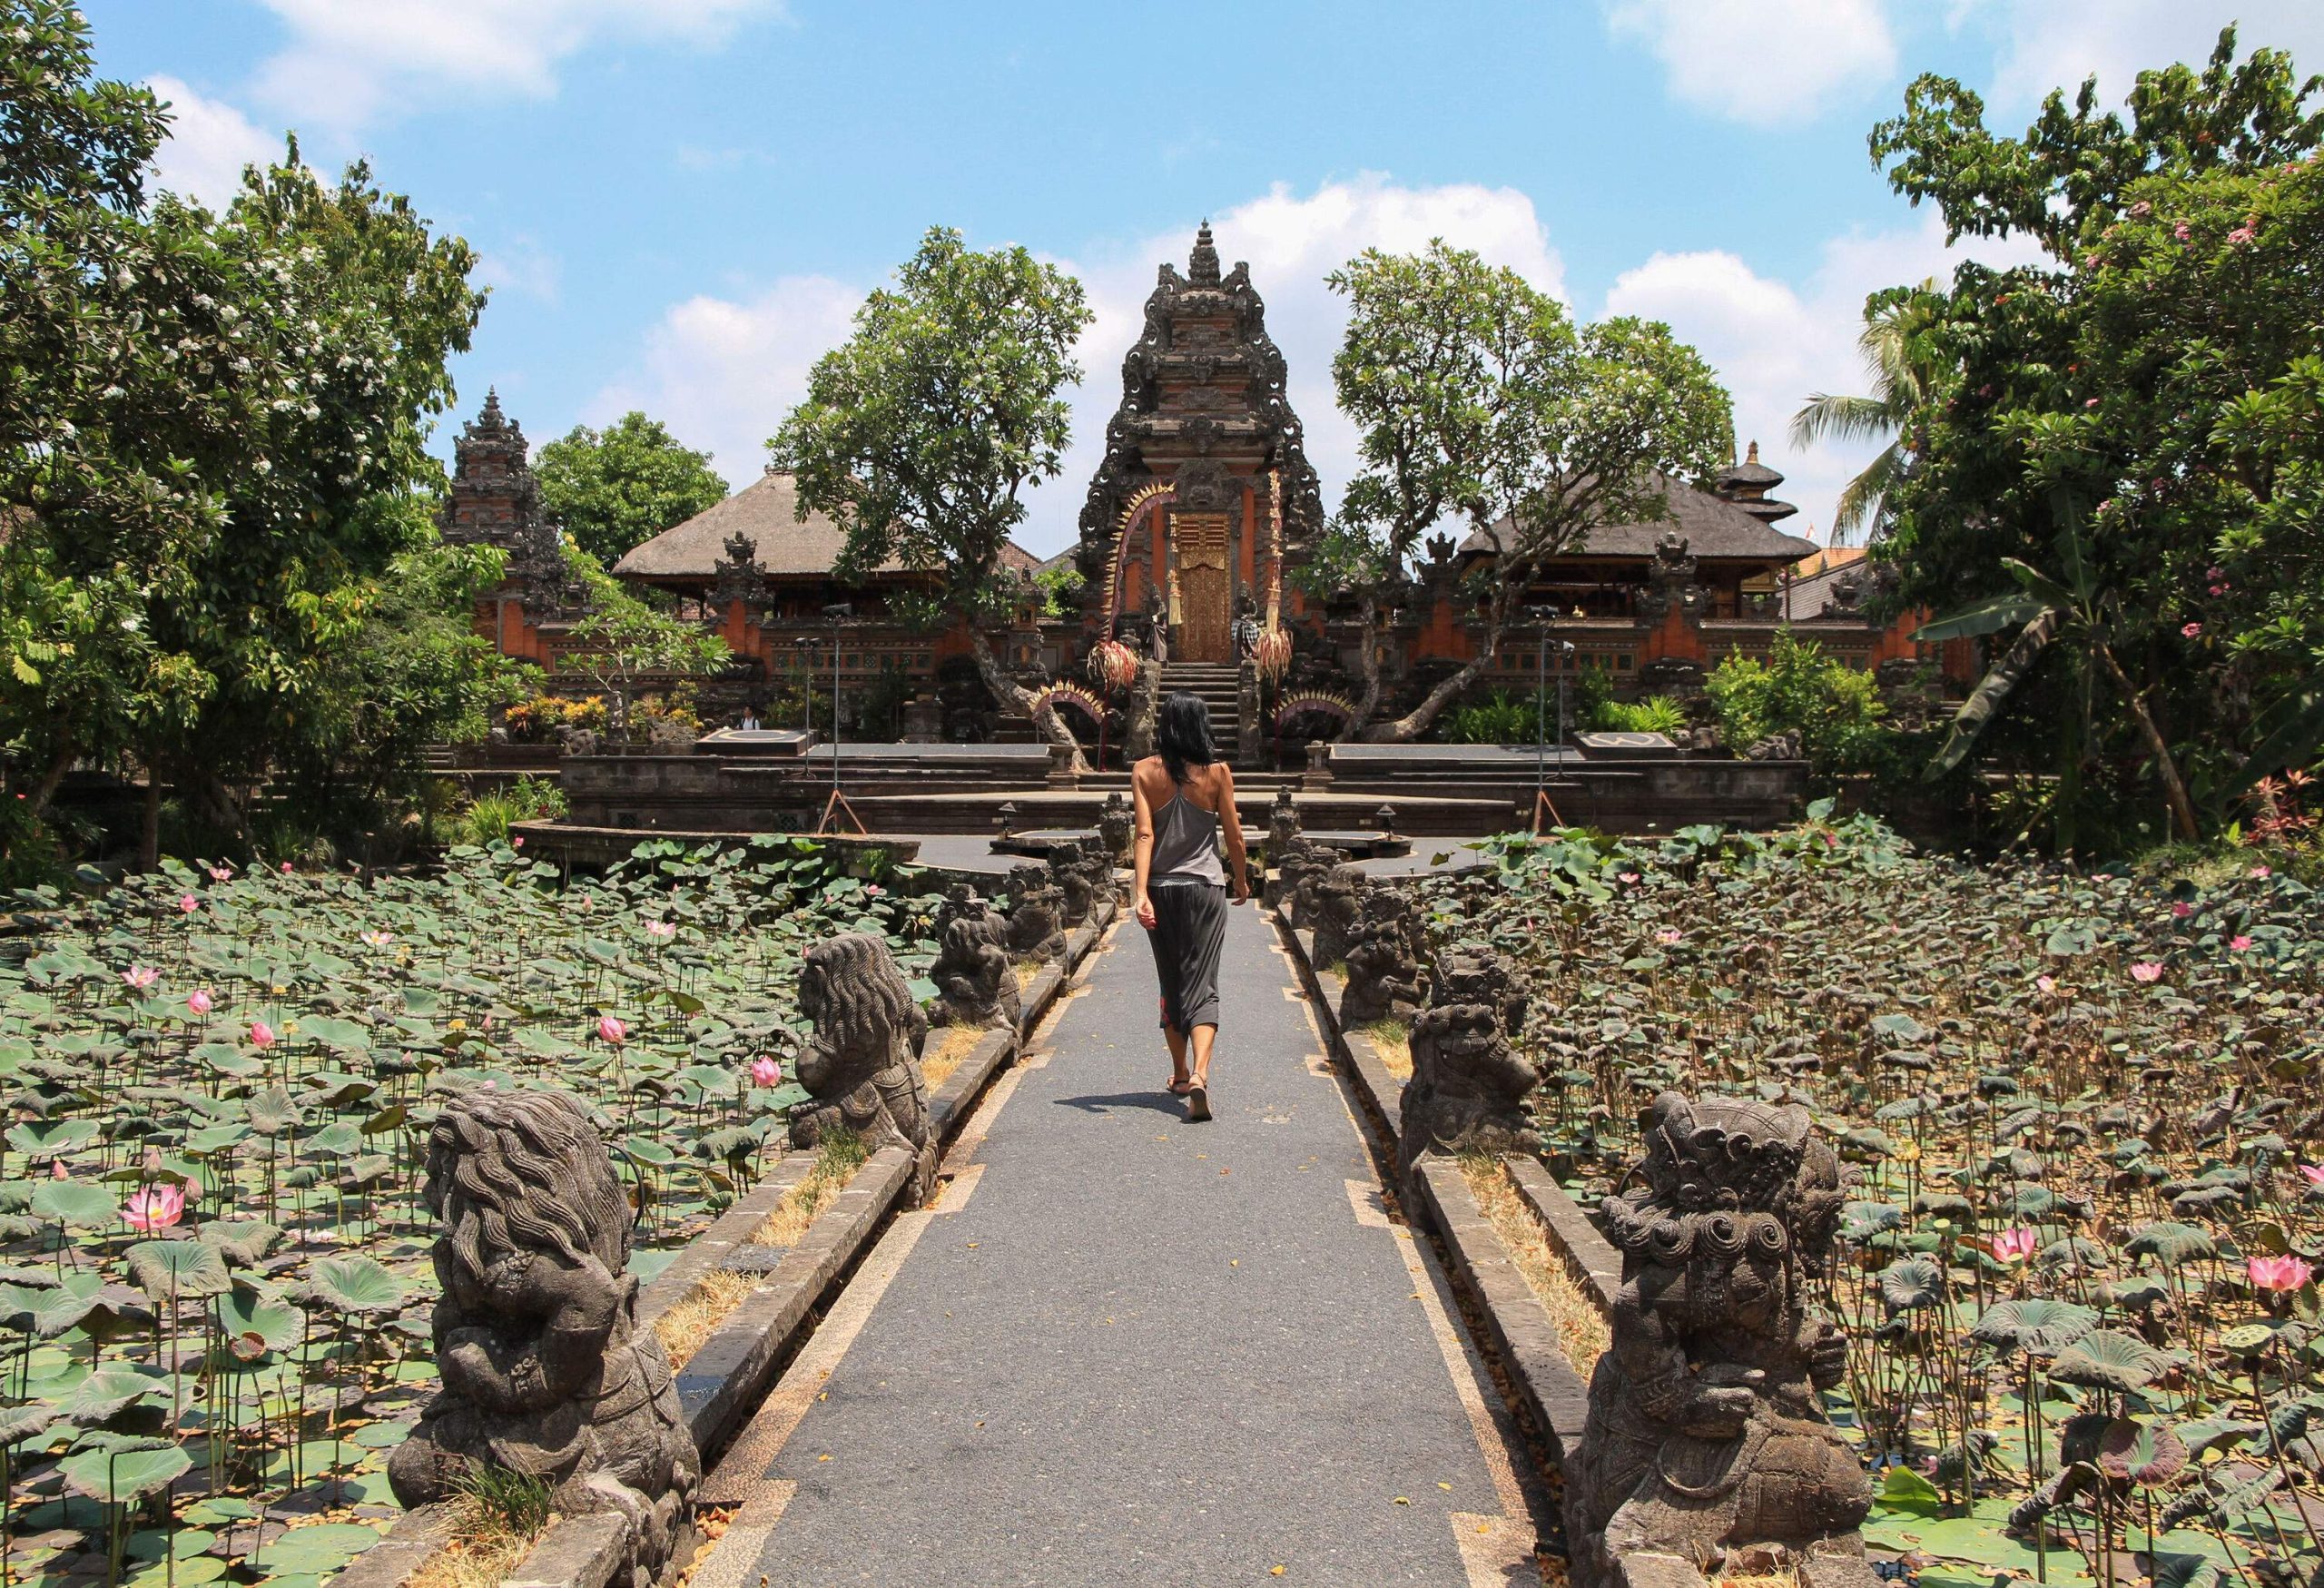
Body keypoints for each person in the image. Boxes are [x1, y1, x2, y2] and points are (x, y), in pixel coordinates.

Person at [1129, 693, 1249, 1122]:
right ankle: (1199, 1073)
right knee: (1203, 983)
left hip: (1162, 888)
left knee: (1172, 980)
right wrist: (1240, 877)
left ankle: (1179, 1073)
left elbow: (1145, 835)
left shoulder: (1144, 771)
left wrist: (1141, 892)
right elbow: (1234, 837)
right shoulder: (1217, 773)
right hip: (1205, 889)